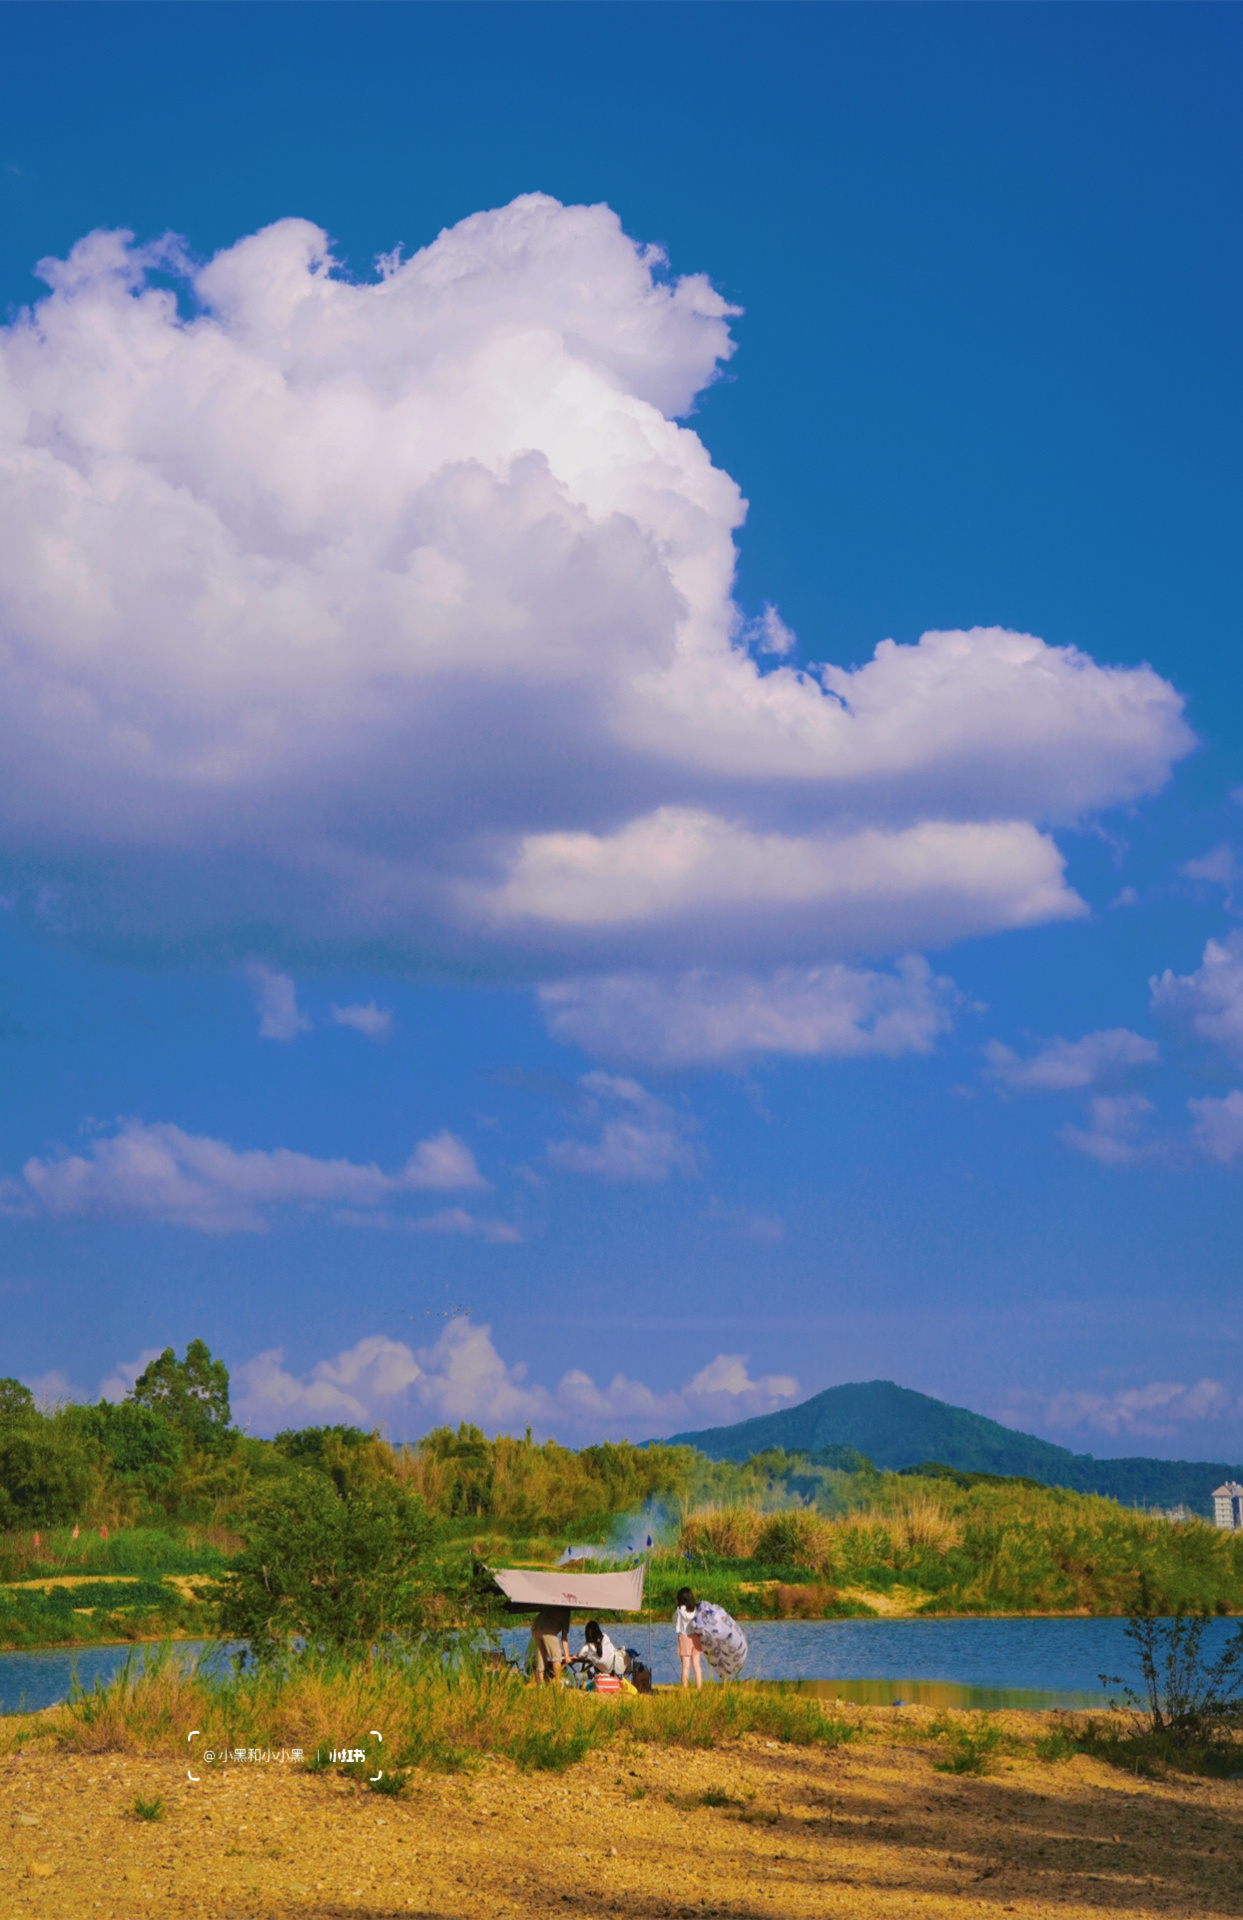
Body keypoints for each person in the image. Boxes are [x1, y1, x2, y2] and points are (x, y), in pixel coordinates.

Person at [528, 1605, 571, 1684]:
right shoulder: (565, 1613)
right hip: (548, 1631)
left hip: (535, 1629)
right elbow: (564, 1637)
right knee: (556, 1658)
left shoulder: (551, 1608)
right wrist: (567, 1656)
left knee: (541, 1656)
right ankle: (558, 1682)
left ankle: (541, 1683)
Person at [673, 1585, 704, 1689]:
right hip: (695, 1637)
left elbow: (674, 1620)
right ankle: (699, 1688)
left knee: (685, 1667)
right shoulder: (695, 1609)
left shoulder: (679, 1610)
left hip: (684, 1638)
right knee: (697, 1666)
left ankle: (685, 1690)